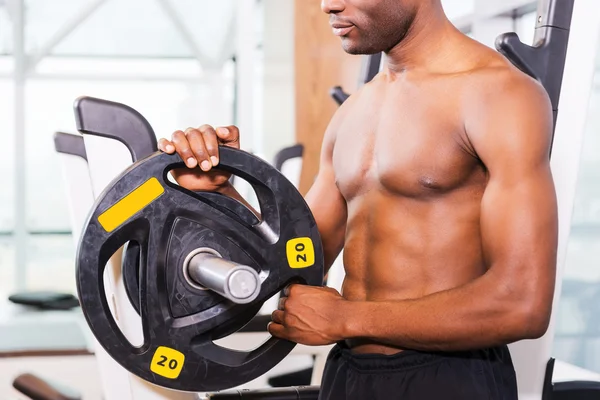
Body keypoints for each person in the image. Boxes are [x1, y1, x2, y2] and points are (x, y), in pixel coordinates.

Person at [158, 0, 558, 398]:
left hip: (450, 378)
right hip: (349, 374)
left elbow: (522, 303)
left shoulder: (499, 94)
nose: (328, 5)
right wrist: (222, 192)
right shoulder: (353, 111)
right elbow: (293, 261)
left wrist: (347, 318)